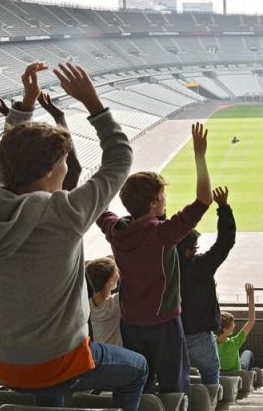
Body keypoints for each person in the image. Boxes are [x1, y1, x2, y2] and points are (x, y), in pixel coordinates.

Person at [0, 62, 147, 411]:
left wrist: (24, 107)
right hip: (59, 362)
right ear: (50, 170)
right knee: (137, 369)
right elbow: (120, 159)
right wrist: (94, 104)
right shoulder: (66, 213)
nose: (67, 169)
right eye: (64, 162)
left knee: (49, 387)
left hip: (5, 362)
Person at [98, 122, 214, 394]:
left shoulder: (116, 229)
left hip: (131, 322)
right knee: (175, 384)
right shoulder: (162, 233)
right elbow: (203, 200)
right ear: (152, 203)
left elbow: (99, 207)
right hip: (163, 322)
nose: (165, 200)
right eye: (162, 196)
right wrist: (200, 155)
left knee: (141, 381)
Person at [177, 185, 236, 385]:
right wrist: (224, 208)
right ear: (186, 251)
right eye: (194, 248)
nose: (197, 251)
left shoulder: (163, 267)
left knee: (178, 374)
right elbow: (225, 242)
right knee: (211, 372)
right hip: (199, 335)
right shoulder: (200, 267)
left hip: (171, 333)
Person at [0, 92, 82, 191]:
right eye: (62, 161)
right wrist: (58, 115)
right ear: (47, 172)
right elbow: (76, 169)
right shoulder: (60, 204)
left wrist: (12, 114)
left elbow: (8, 155)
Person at [217, 283, 256, 372]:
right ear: (225, 329)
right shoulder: (234, 343)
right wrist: (251, 296)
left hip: (219, 374)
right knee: (248, 353)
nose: (234, 325)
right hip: (237, 374)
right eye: (232, 324)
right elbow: (251, 321)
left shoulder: (211, 343)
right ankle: (248, 377)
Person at [86, 257, 122, 346]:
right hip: (117, 353)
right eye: (117, 271)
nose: (119, 274)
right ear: (110, 280)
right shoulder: (116, 303)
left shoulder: (87, 305)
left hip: (99, 353)